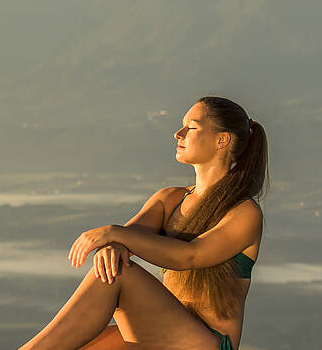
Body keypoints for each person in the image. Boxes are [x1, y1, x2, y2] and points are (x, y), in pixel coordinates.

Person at [19, 96, 267, 350]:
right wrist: (115, 244)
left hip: (209, 343)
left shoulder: (244, 212)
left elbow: (190, 256)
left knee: (118, 274)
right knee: (85, 336)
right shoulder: (169, 199)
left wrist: (112, 234)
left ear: (221, 140)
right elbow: (129, 237)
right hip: (164, 332)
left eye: (191, 127)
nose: (178, 134)